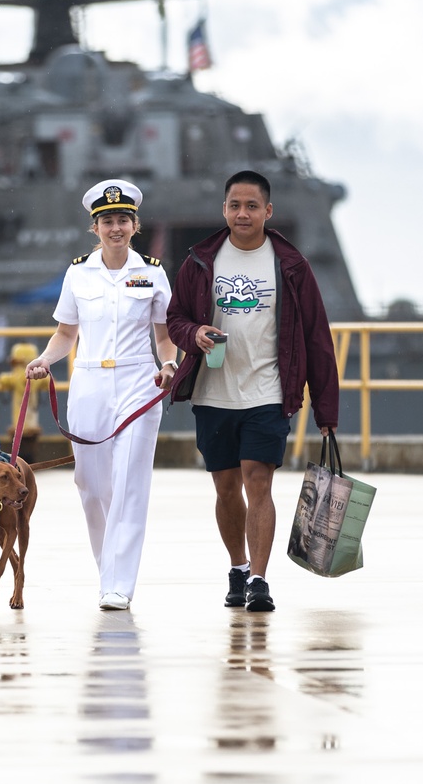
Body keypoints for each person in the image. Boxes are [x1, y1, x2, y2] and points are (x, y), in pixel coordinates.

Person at [166, 169, 338, 612]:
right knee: (226, 488)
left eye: (252, 206)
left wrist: (326, 411)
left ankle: (259, 580)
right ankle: (238, 567)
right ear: (224, 210)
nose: (243, 214)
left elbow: (317, 336)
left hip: (268, 391)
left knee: (258, 482)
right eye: (235, 206)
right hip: (212, 393)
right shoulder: (201, 261)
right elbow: (176, 318)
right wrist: (194, 334)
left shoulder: (291, 266)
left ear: (268, 211)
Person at [26, 179, 178, 611]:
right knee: (90, 485)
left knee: (130, 482)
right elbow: (65, 332)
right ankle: (107, 571)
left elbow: (164, 336)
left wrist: (168, 364)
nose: (115, 228)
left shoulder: (152, 272)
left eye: (123, 220)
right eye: (107, 221)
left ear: (136, 225)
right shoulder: (78, 272)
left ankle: (118, 586)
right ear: (95, 228)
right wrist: (45, 361)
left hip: (138, 381)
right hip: (89, 382)